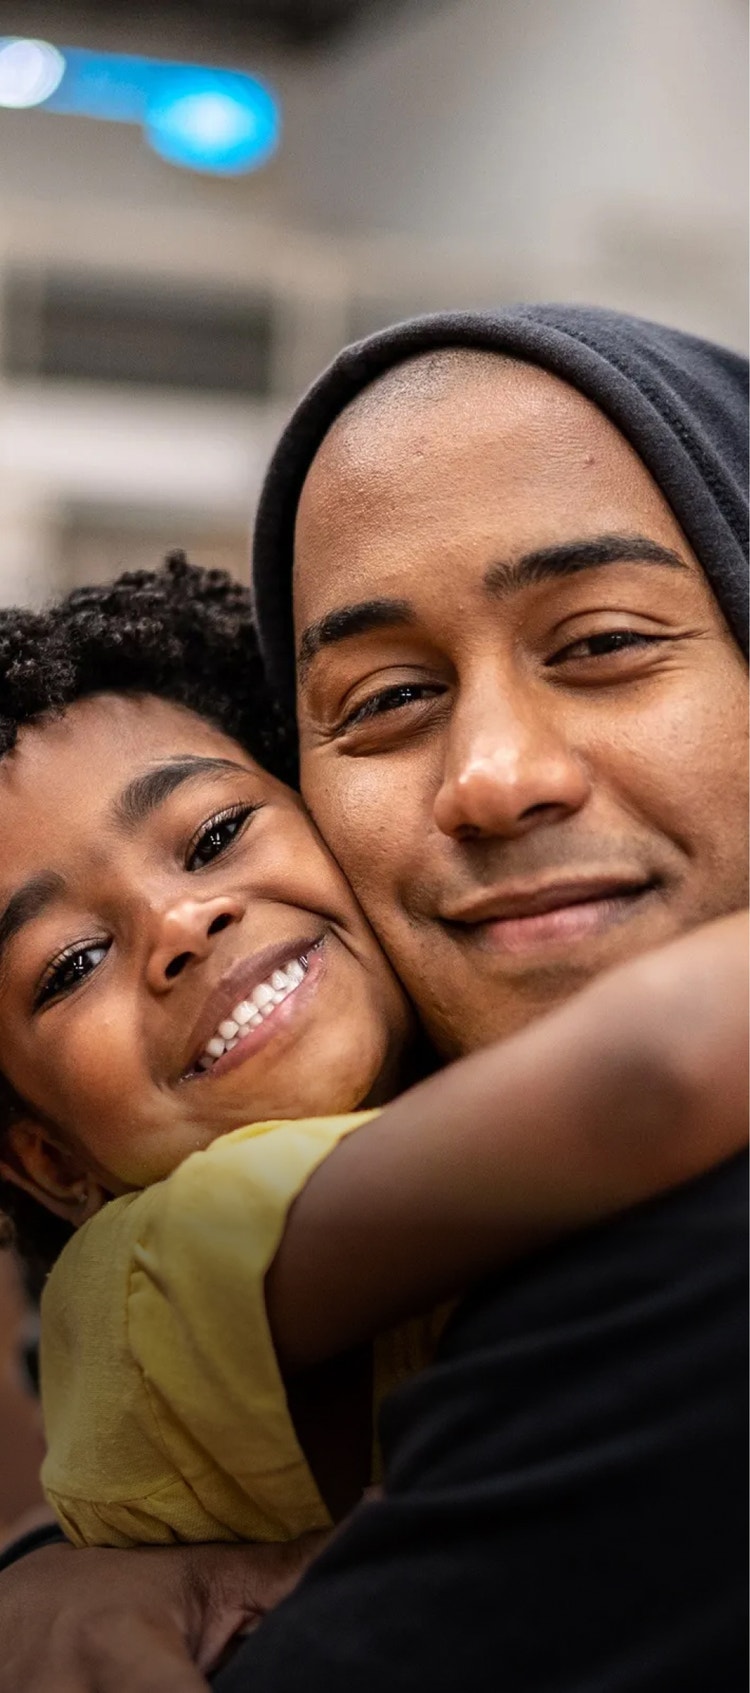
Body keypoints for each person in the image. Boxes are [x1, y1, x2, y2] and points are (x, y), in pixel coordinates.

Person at [0, 304, 747, 1693]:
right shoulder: (158, 1263)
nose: (492, 773)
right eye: (389, 696)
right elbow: (646, 1074)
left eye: (596, 642)